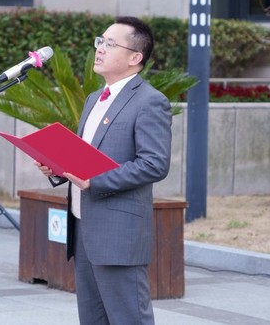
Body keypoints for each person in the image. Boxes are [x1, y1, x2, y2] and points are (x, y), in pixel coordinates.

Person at [36, 16, 172, 325]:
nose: (100, 49)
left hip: (118, 233)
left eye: (110, 44)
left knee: (129, 319)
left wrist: (95, 180)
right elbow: (83, 158)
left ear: (135, 58)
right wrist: (55, 168)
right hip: (83, 228)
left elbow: (154, 164)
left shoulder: (150, 101)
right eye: (101, 41)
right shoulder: (93, 99)